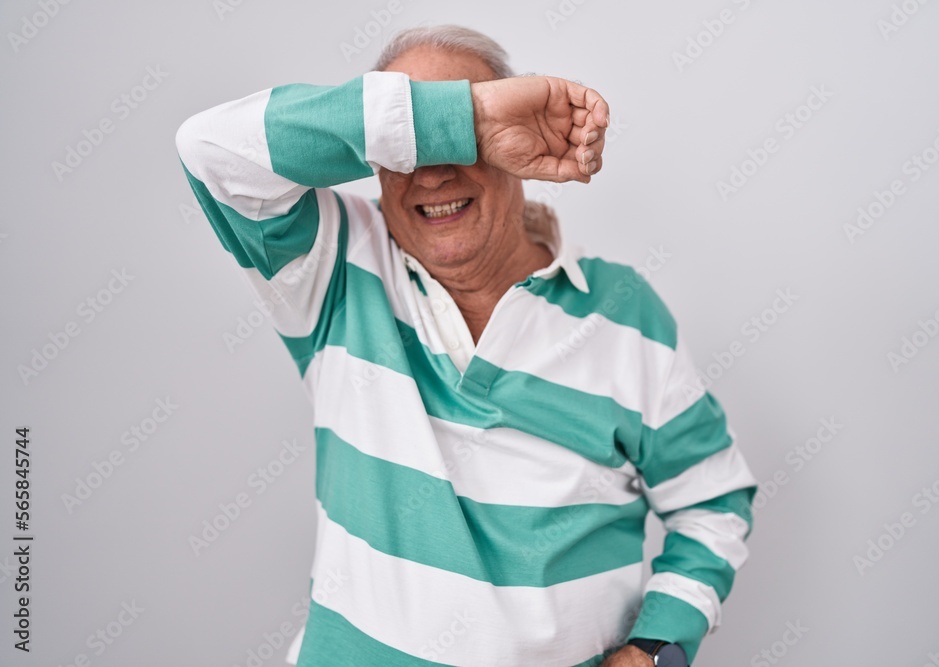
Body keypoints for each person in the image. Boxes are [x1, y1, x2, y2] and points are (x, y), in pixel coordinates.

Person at [175, 24, 757, 667]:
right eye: (414, 139)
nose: (434, 171)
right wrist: (466, 117)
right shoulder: (336, 266)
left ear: (518, 148)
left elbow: (712, 501)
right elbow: (209, 148)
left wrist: (657, 647)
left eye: (468, 139)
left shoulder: (623, 310)